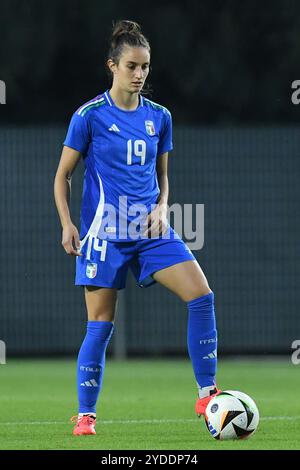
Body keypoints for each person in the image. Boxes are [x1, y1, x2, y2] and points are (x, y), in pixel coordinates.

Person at [54, 20, 220, 436]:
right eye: (131, 66)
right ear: (112, 65)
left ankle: (207, 394)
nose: (140, 74)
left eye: (145, 66)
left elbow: (163, 176)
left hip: (150, 231)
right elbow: (63, 176)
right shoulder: (88, 115)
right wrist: (68, 223)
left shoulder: (160, 117)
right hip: (103, 235)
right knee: (100, 325)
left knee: (201, 296)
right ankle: (86, 416)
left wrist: (163, 207)